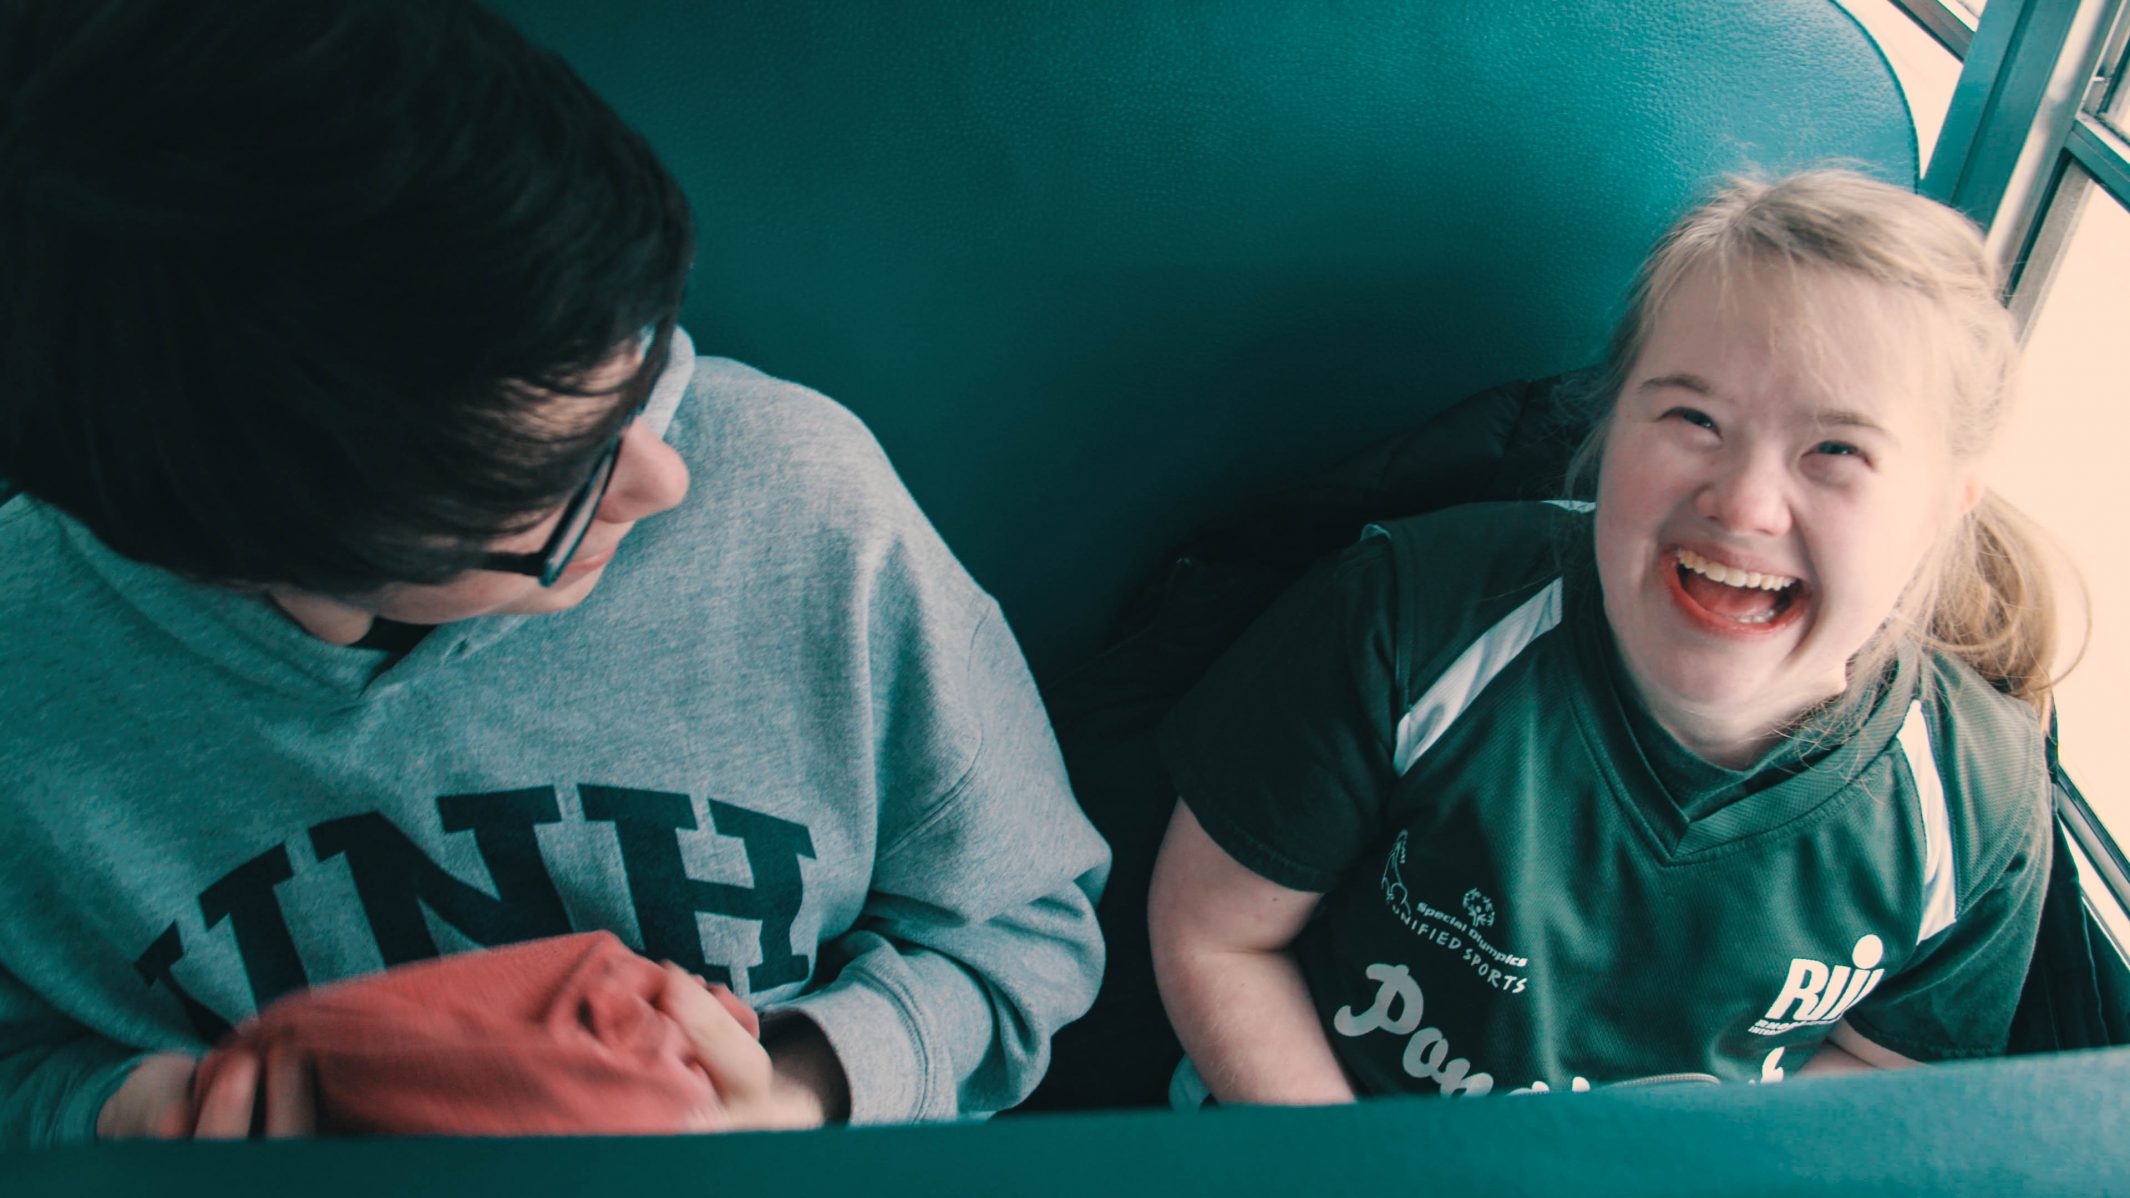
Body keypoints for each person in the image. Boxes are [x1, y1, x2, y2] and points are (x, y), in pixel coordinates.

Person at [0, 0, 1107, 1146]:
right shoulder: (26, 664)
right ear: (233, 559)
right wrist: (129, 1117)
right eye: (557, 482)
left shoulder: (804, 502)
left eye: (641, 360)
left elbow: (1023, 933)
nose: (666, 479)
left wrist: (801, 1087)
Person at [1148, 170, 2069, 1103]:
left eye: (1836, 450)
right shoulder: (1408, 617)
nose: (1743, 503)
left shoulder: (1974, 804)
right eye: (1694, 419)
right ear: (1610, 426)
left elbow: (1880, 1081)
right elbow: (1219, 933)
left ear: (1937, 514)